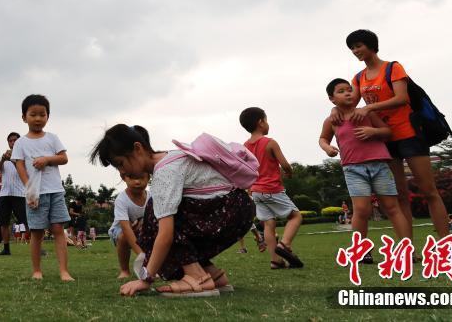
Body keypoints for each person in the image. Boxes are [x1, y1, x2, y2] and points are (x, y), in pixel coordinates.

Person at [92, 124, 254, 297]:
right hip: (237, 208)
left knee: (155, 217)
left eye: (121, 163)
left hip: (228, 210)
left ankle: (197, 277)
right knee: (160, 214)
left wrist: (145, 279)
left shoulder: (164, 172)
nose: (122, 172)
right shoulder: (171, 157)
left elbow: (166, 235)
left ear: (138, 148)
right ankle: (213, 276)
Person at [337, 29, 450, 238]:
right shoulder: (359, 78)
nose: (355, 51)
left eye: (358, 46)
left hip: (409, 133)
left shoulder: (392, 68)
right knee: (400, 196)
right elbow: (349, 102)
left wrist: (370, 107)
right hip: (385, 140)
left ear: (371, 45)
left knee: (429, 191)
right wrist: (335, 110)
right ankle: (408, 249)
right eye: (352, 48)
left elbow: (402, 98)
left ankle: (445, 243)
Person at [320, 78, 412, 263]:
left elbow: (387, 131)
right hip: (353, 169)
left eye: (349, 90)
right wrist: (327, 148)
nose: (347, 93)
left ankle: (406, 250)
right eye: (341, 91)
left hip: (379, 165)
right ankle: (362, 251)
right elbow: (323, 138)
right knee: (361, 210)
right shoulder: (332, 120)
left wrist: (374, 132)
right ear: (332, 99)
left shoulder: (367, 113)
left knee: (392, 208)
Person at [12, 93, 74, 281]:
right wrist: (29, 188)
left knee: (58, 229)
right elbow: (19, 166)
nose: (38, 118)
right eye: (33, 114)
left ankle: (64, 271)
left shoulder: (53, 138)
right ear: (24, 117)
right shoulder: (21, 143)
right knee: (37, 232)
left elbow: (63, 158)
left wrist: (47, 159)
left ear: (48, 116)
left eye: (42, 114)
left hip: (55, 191)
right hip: (35, 194)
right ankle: (37, 270)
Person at [240, 107, 304, 270]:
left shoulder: (244, 146)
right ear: (261, 122)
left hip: (255, 192)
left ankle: (276, 261)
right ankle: (284, 245)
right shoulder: (270, 143)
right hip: (271, 188)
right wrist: (289, 172)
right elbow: (285, 164)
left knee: (269, 224)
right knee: (296, 217)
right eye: (266, 120)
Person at [108, 170, 149, 278]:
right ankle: (124, 270)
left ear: (148, 178)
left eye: (141, 177)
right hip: (120, 230)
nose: (137, 182)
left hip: (142, 228)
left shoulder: (151, 197)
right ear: (124, 178)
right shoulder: (121, 199)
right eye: (132, 178)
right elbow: (125, 228)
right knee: (123, 237)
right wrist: (141, 255)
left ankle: (154, 267)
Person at [0, 132, 27, 256]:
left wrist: (12, 160)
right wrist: (3, 159)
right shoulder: (4, 155)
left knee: (26, 222)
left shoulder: (24, 155)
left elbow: (24, 171)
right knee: (4, 222)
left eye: (15, 140)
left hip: (19, 194)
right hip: (5, 194)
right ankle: (6, 248)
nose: (13, 142)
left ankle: (38, 247)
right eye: (10, 140)